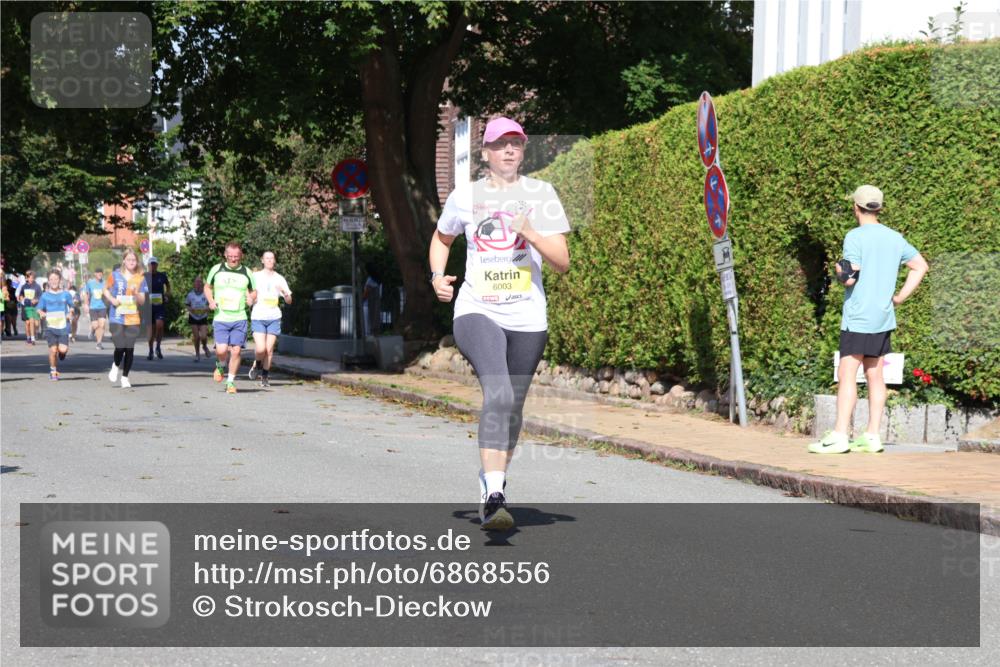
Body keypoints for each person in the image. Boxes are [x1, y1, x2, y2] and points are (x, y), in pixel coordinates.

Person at [429, 117, 571, 530]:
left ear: (523, 151)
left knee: (512, 407)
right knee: (500, 391)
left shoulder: (541, 195)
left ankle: (492, 478)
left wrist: (529, 229)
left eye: (516, 144)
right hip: (477, 310)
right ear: (486, 153)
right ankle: (495, 496)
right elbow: (441, 239)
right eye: (500, 144)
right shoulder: (465, 196)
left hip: (528, 316)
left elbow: (562, 261)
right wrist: (438, 277)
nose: (509, 150)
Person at [809, 185, 929, 454]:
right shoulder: (895, 238)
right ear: (879, 208)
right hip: (883, 317)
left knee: (846, 372)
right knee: (875, 374)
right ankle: (872, 435)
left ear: (856, 207)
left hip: (858, 316)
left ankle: (840, 434)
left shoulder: (855, 236)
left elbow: (850, 277)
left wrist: (840, 270)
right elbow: (920, 266)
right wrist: (899, 298)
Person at [205, 242, 256, 394]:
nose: (233, 259)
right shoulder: (216, 269)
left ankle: (230, 382)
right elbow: (207, 287)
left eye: (236, 257)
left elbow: (254, 291)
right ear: (225, 255)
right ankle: (220, 365)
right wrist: (211, 301)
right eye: (231, 256)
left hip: (239, 317)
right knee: (221, 350)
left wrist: (251, 299)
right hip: (221, 317)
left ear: (241, 256)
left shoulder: (247, 272)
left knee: (236, 351)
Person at [105, 248, 148, 389]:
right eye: (129, 259)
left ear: (137, 262)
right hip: (117, 316)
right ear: (124, 260)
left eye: (134, 260)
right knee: (120, 346)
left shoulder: (141, 278)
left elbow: (142, 301)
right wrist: (112, 299)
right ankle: (116, 365)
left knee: (129, 348)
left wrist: (136, 293)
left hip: (133, 317)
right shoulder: (115, 275)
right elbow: (105, 290)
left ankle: (125, 377)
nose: (131, 262)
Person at [249, 251, 291, 387]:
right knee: (261, 349)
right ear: (262, 260)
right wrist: (250, 298)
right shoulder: (255, 276)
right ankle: (257, 365)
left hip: (274, 317)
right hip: (258, 316)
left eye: (272, 258)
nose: (269, 260)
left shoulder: (279, 278)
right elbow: (247, 291)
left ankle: (265, 377)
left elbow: (289, 300)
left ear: (274, 261)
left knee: (269, 349)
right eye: (267, 258)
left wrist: (285, 293)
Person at [37, 269, 75, 380]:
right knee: (53, 350)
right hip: (50, 327)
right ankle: (53, 371)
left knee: (62, 350)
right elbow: (39, 308)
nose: (54, 281)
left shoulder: (66, 294)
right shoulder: (45, 295)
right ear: (48, 281)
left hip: (63, 326)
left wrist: (70, 313)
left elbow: (72, 306)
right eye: (51, 279)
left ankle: (62, 353)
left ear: (60, 280)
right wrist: (41, 312)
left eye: (56, 279)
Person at [145, 257, 171, 360]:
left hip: (159, 305)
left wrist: (167, 295)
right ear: (148, 265)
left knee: (160, 325)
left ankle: (158, 347)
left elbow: (168, 285)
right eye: (151, 264)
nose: (153, 266)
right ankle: (151, 350)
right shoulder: (144, 276)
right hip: (148, 306)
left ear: (157, 265)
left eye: (154, 264)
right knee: (150, 330)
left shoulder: (162, 276)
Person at [185, 277, 212, 361]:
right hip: (193, 317)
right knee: (196, 337)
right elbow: (187, 305)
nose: (198, 284)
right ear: (194, 284)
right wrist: (190, 309)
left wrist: (207, 309)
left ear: (202, 284)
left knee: (203, 336)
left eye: (200, 282)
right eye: (196, 282)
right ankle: (197, 354)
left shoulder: (206, 294)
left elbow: (210, 304)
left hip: (203, 316)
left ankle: (204, 346)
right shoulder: (190, 294)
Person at [83, 268, 108, 349]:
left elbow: (108, 294)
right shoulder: (90, 283)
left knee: (102, 324)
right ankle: (93, 330)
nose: (100, 274)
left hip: (102, 307)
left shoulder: (105, 283)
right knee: (95, 325)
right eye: (98, 273)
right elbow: (87, 294)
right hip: (93, 307)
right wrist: (86, 304)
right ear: (95, 274)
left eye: (101, 273)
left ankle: (99, 343)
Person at [17, 270, 42, 345]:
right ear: (27, 278)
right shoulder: (24, 286)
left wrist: (36, 300)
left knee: (36, 324)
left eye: (33, 278)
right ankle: (30, 338)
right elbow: (21, 295)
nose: (31, 279)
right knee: (28, 322)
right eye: (30, 278)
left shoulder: (37, 286)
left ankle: (33, 335)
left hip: (35, 306)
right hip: (26, 306)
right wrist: (22, 299)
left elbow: (41, 297)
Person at [362, 262, 382, 337]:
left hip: (367, 305)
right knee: (374, 326)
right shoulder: (379, 280)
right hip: (376, 305)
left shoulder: (370, 280)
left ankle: (368, 343)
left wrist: (361, 301)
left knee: (367, 328)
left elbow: (366, 294)